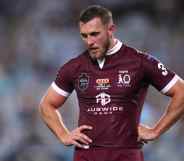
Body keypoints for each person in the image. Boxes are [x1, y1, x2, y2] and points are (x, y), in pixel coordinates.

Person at [39, 5, 184, 161]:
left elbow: (181, 91)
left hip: (126, 154)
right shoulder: (74, 67)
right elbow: (46, 105)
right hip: (86, 155)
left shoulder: (140, 62)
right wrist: (63, 135)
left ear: (110, 29)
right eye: (84, 36)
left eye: (95, 34)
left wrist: (156, 131)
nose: (90, 41)